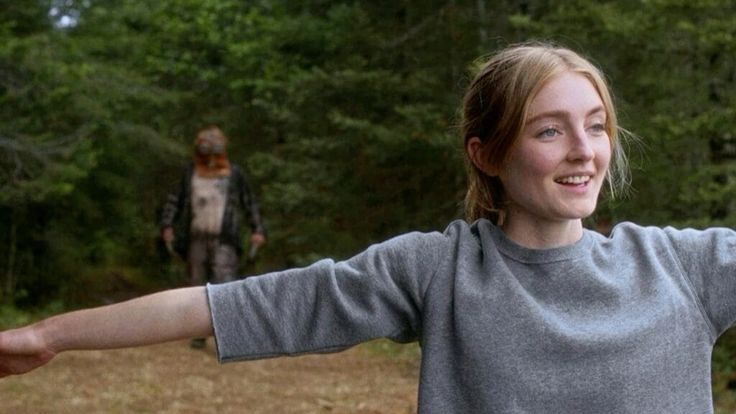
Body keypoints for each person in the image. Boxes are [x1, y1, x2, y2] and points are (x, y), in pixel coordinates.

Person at [1, 42, 735, 413]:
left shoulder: (684, 266)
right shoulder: (438, 272)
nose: (584, 150)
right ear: (486, 154)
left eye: (597, 126)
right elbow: (232, 305)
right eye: (549, 130)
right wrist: (47, 336)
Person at [159, 125, 266, 348]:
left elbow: (249, 202)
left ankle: (228, 335)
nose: (210, 157)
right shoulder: (190, 173)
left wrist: (257, 229)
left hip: (224, 238)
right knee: (196, 285)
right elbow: (174, 200)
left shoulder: (234, 174)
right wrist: (167, 225)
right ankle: (198, 334)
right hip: (196, 237)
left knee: (225, 283)